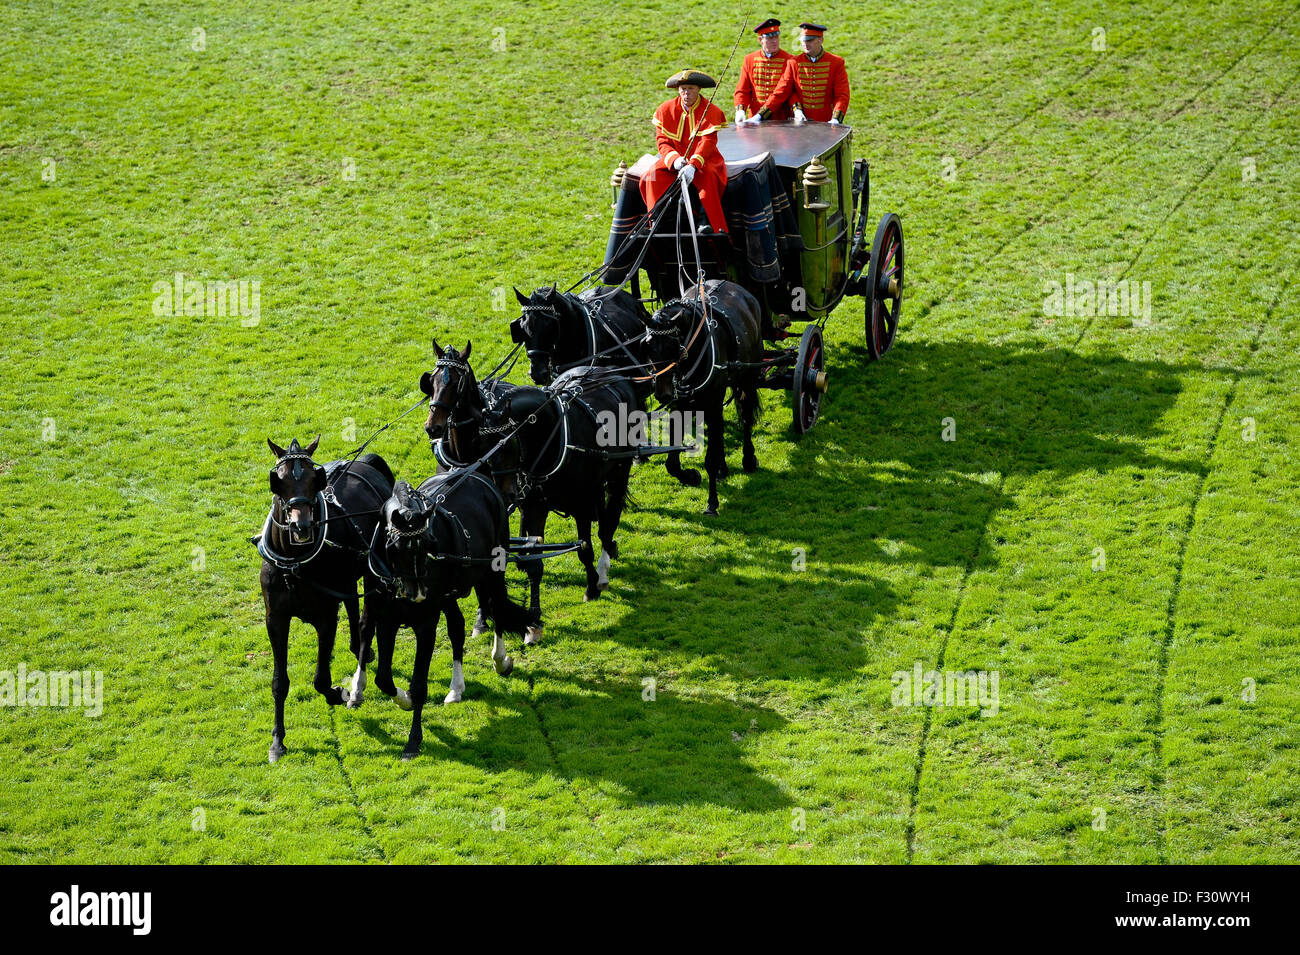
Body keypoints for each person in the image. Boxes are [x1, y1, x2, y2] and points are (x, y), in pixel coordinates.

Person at [639, 69, 729, 234]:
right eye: (683, 89)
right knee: (651, 176)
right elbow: (662, 141)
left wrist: (693, 165)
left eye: (691, 88)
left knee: (709, 175)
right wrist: (675, 160)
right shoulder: (665, 109)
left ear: (699, 89)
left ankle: (705, 221)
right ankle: (656, 221)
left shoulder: (711, 110)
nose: (686, 93)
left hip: (704, 160)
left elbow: (707, 142)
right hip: (673, 160)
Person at [744, 22, 850, 125]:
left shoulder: (836, 62)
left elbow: (842, 94)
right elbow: (781, 91)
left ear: (820, 40)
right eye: (803, 40)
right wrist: (760, 115)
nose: (805, 44)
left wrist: (836, 119)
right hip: (800, 123)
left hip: (825, 121)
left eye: (810, 40)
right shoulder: (794, 62)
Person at [733, 18, 794, 123]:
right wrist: (740, 110)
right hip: (755, 118)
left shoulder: (789, 60)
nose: (775, 41)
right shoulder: (750, 59)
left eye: (776, 37)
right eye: (770, 38)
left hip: (781, 119)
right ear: (760, 40)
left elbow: (790, 91)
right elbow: (743, 89)